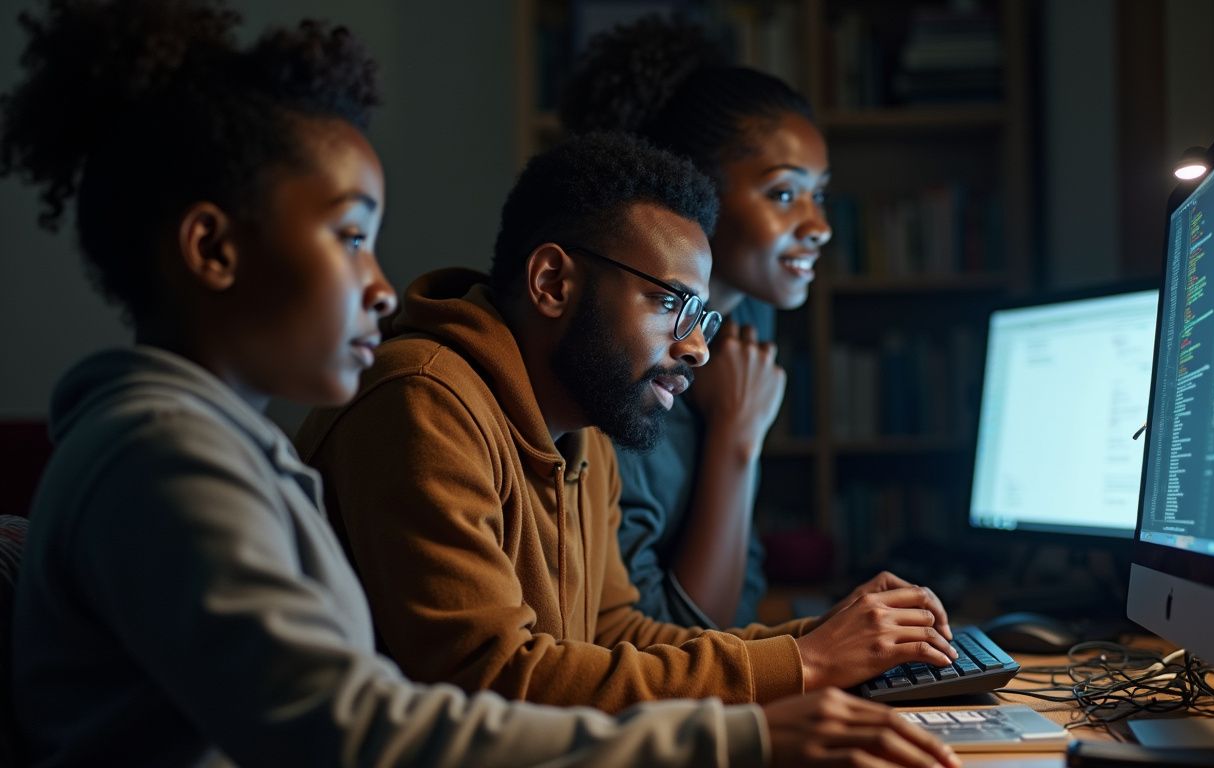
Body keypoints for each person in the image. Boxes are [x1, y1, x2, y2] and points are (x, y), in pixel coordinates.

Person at [0, 2, 960, 766]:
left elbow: (609, 629)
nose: (382, 285)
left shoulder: (232, 452)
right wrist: (755, 718)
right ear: (212, 249)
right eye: (351, 239)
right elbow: (391, 720)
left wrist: (802, 662)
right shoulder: (180, 460)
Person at [296, 130, 960, 715]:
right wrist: (807, 665)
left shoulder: (584, 429)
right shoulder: (423, 402)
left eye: (701, 317)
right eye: (671, 301)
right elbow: (491, 680)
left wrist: (821, 639)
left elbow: (616, 635)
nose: (698, 347)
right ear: (553, 282)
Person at [561, 16, 833, 628]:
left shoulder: (744, 329)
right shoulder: (616, 356)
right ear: (694, 189)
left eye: (821, 194)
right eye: (786, 194)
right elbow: (671, 637)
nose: (820, 225)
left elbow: (739, 598)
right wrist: (737, 439)